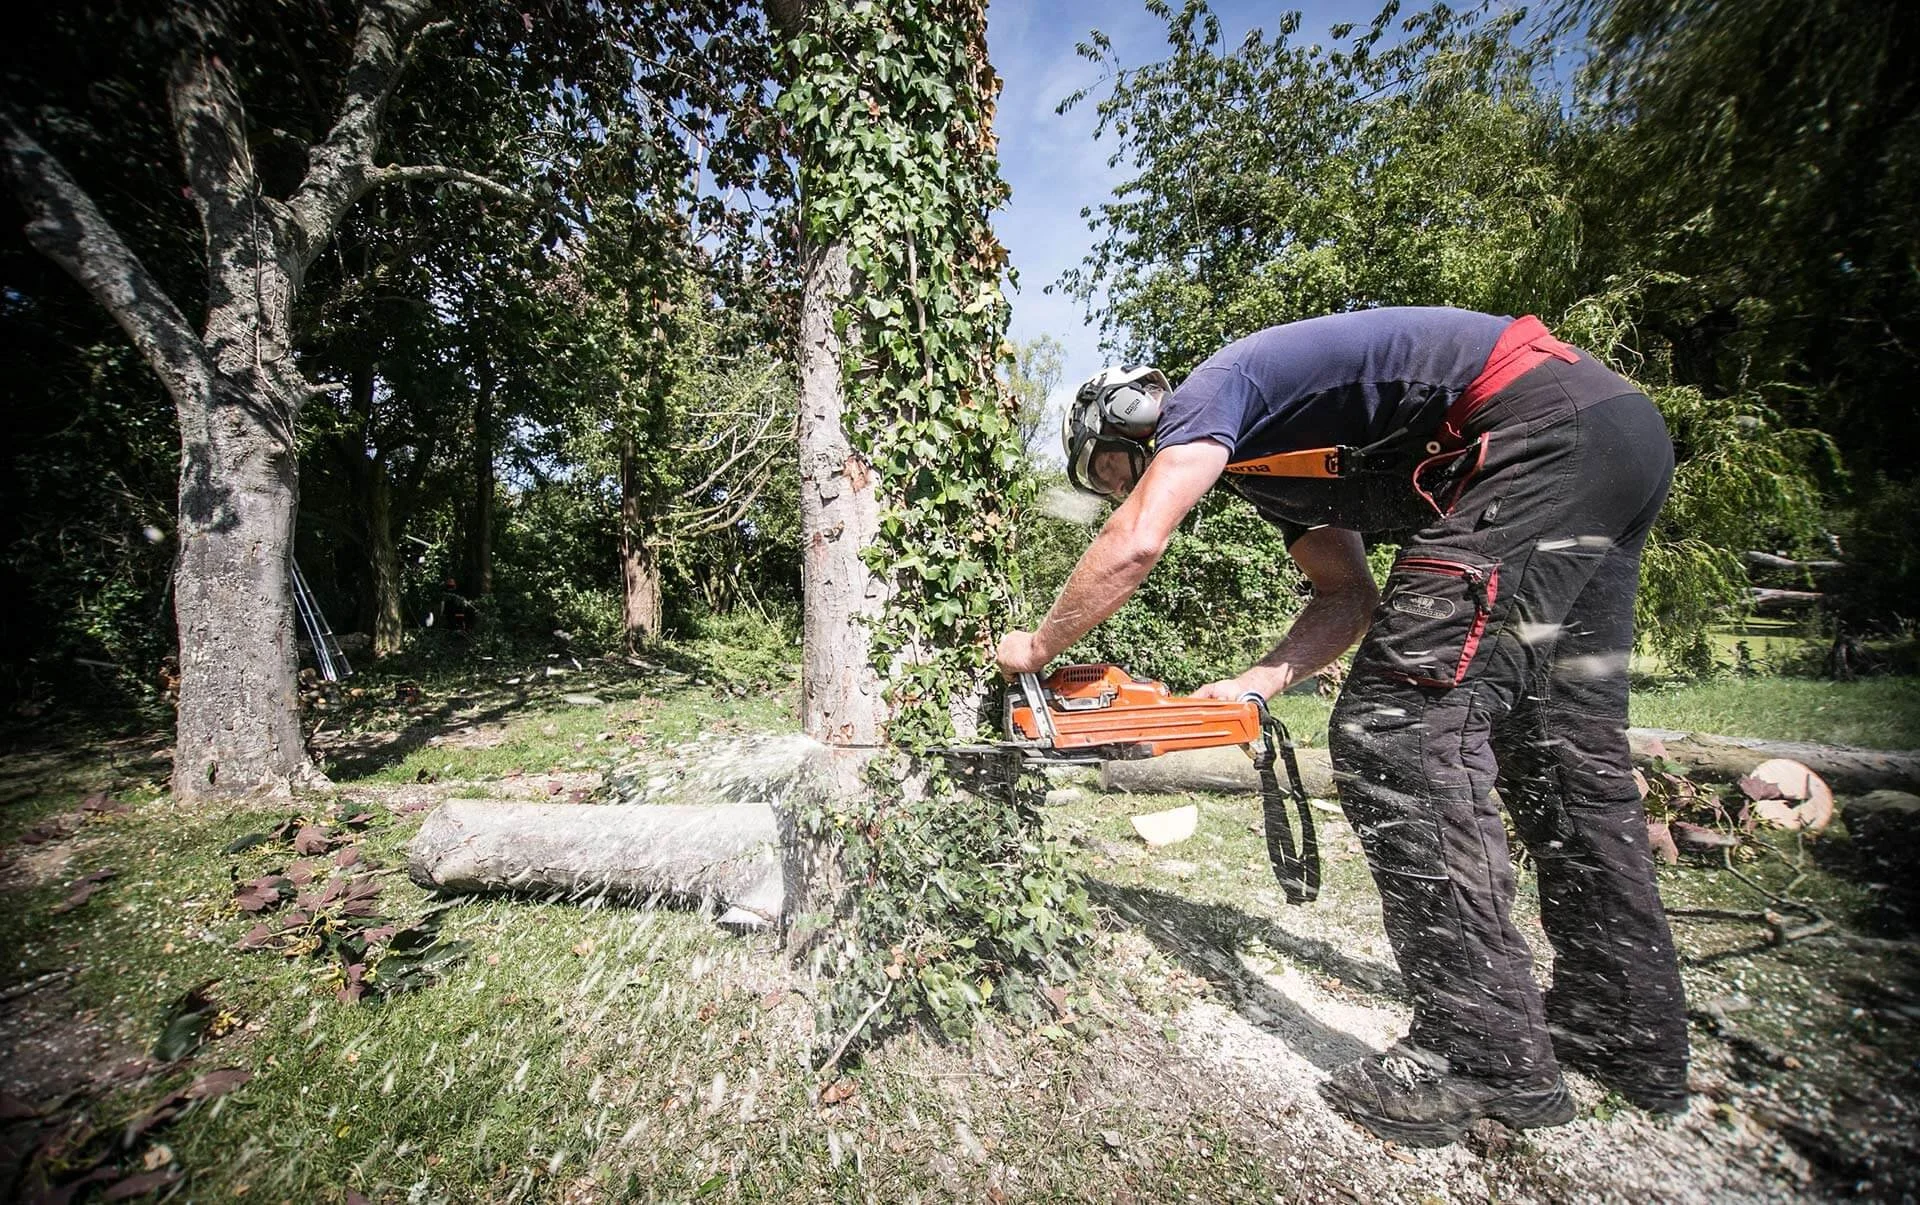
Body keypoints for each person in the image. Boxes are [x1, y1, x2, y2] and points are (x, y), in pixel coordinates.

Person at [994, 307, 1688, 1147]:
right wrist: (1256, 681)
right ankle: (1620, 1024)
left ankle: (1483, 1051)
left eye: (1113, 467)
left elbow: (1137, 540)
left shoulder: (1208, 396)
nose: (1120, 486)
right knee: (1561, 749)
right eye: (1104, 482)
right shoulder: (1271, 471)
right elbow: (1348, 595)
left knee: (1398, 730)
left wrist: (1035, 646)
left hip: (1539, 426)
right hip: (1608, 434)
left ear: (1133, 416)